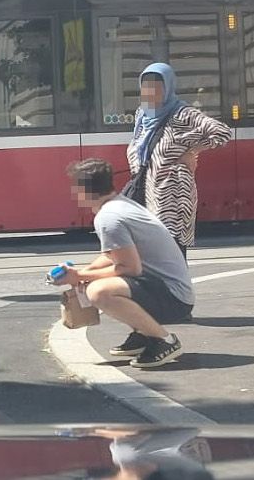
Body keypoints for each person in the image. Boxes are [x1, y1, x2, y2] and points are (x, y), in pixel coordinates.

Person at [59, 158, 195, 369]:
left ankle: (164, 341)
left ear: (85, 191)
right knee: (95, 283)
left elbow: (130, 268)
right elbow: (112, 255)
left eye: (75, 188)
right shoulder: (119, 205)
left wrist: (81, 277)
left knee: (99, 291)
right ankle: (144, 334)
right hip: (168, 289)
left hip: (173, 297)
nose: (73, 194)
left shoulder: (109, 218)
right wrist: (80, 273)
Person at [127, 62, 234, 254]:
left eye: (156, 88)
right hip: (144, 192)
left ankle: (177, 285)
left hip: (172, 197)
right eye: (146, 87)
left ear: (167, 88)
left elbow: (222, 132)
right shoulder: (142, 116)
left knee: (171, 254)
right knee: (149, 255)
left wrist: (193, 151)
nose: (150, 93)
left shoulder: (182, 114)